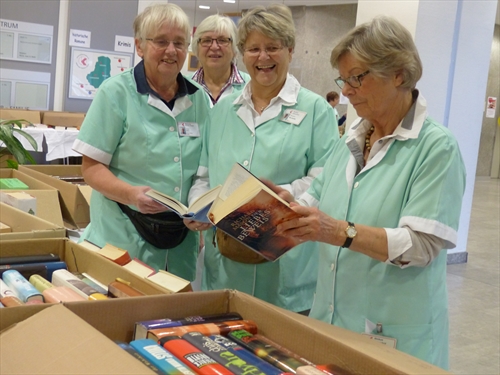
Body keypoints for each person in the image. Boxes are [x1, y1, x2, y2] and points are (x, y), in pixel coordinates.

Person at [268, 16, 466, 369]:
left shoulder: (436, 148)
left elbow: (420, 246)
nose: (346, 91)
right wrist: (285, 202)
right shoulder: (352, 136)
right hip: (331, 320)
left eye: (357, 77)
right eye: (343, 80)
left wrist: (338, 231)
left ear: (399, 74)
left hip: (392, 331)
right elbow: (317, 192)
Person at [185, 4, 337, 313]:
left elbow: (324, 178)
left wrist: (277, 200)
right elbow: (204, 174)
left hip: (285, 264)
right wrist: (197, 207)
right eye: (254, 49)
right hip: (226, 262)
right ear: (242, 53)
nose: (263, 58)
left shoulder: (316, 110)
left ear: (290, 50)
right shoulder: (224, 110)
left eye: (273, 48)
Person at [72, 3, 211, 281]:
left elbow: (206, 168)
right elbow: (91, 168)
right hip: (123, 234)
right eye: (160, 41)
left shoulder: (200, 100)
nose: (171, 51)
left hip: (180, 241)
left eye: (179, 43)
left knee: (170, 317)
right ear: (139, 46)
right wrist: (131, 195)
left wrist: (201, 206)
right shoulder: (115, 93)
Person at [190, 14, 250, 106]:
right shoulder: (182, 86)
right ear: (197, 48)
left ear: (234, 49)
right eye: (206, 40)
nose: (214, 47)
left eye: (222, 40)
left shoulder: (251, 86)